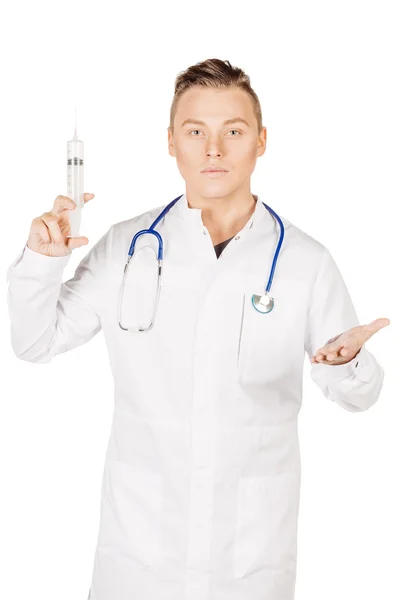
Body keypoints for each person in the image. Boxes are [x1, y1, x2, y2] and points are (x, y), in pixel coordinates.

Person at [6, 58, 389, 600]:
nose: (214, 149)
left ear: (261, 141)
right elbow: (35, 342)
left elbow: (361, 396)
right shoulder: (125, 246)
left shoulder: (305, 261)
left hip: (249, 557)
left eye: (233, 131)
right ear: (170, 142)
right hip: (137, 554)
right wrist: (40, 263)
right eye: (195, 132)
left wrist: (348, 363)